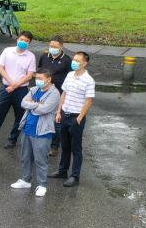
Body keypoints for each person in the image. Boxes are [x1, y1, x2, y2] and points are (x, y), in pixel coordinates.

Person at [0, 31, 37, 149]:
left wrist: (14, 86)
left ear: (29, 43)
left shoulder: (31, 56)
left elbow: (29, 75)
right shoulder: (7, 51)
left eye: (26, 41)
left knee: (19, 117)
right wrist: (10, 83)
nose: (23, 42)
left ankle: (12, 140)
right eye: (22, 39)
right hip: (6, 88)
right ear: (17, 39)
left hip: (21, 90)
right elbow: (1, 68)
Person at [10, 69, 61, 197]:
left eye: (40, 78)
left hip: (42, 132)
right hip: (28, 128)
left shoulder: (54, 93)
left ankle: (42, 185)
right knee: (25, 157)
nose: (37, 81)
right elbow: (23, 103)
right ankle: (26, 180)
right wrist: (37, 104)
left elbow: (45, 109)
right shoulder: (33, 90)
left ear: (48, 79)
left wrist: (33, 104)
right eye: (36, 78)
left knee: (40, 160)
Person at [51, 51, 95, 188]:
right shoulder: (70, 75)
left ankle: (75, 176)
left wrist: (80, 118)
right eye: (74, 59)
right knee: (65, 146)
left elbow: (89, 101)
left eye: (77, 60)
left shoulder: (89, 80)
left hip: (76, 117)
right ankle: (62, 171)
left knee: (76, 149)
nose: (74, 62)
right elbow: (64, 93)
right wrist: (59, 111)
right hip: (65, 114)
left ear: (85, 63)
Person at [37, 35, 70, 154]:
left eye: (55, 46)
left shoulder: (67, 60)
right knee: (41, 115)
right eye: (51, 46)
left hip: (58, 94)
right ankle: (41, 141)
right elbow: (40, 71)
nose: (52, 48)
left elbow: (70, 78)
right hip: (43, 92)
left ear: (61, 46)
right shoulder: (44, 56)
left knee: (57, 120)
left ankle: (54, 146)